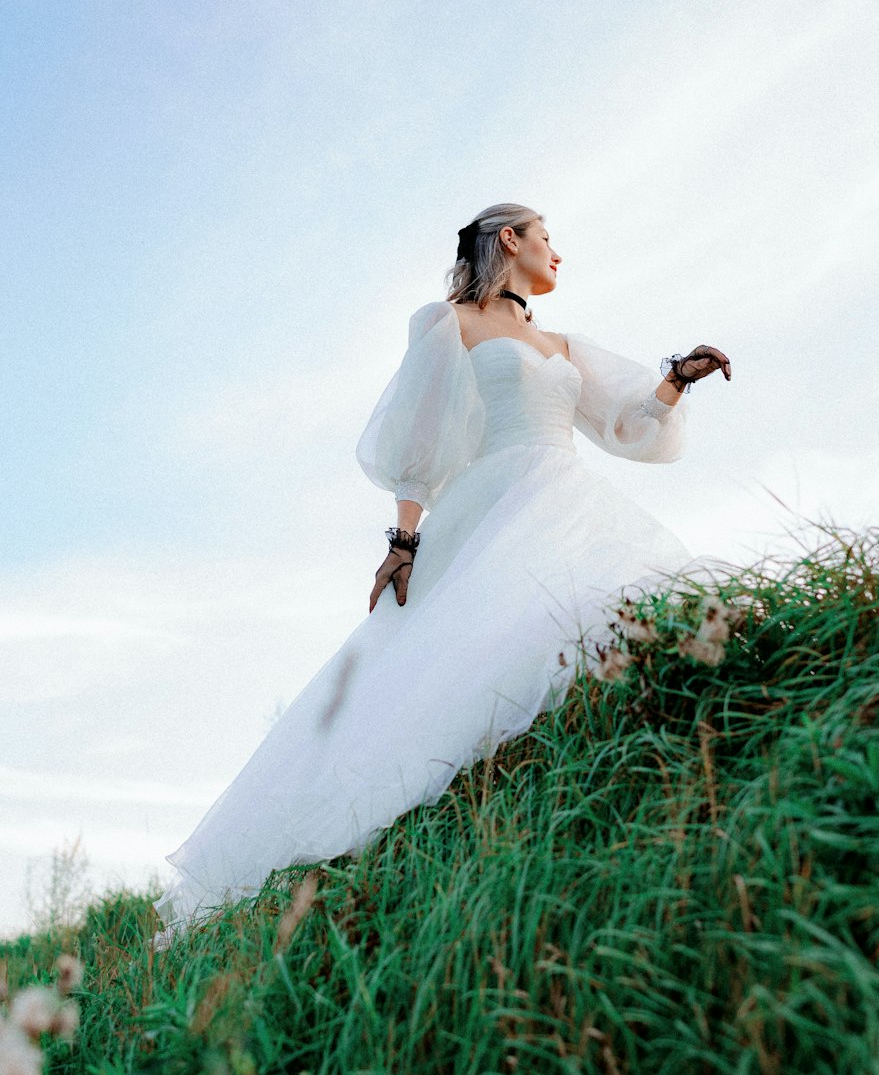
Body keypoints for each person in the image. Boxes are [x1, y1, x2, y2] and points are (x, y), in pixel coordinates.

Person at [153, 203, 730, 945]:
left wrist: (678, 377)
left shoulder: (559, 342)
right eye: (548, 239)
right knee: (444, 669)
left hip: (567, 497)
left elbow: (627, 423)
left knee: (599, 615)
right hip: (491, 505)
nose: (559, 255)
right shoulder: (448, 322)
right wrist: (403, 539)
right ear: (510, 240)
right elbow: (421, 434)